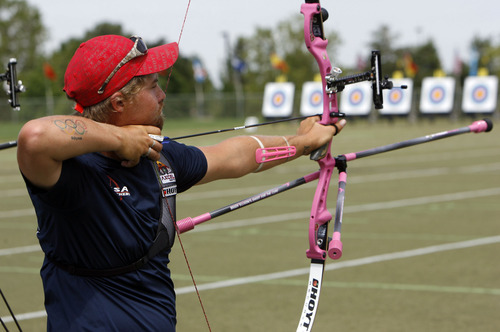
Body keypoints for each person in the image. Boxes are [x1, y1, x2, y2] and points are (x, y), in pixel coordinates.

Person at [17, 35, 345, 331]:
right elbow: (34, 137)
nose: (162, 95)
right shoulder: (72, 172)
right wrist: (120, 139)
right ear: (118, 103)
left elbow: (234, 155)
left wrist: (301, 142)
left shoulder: (158, 156)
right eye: (152, 86)